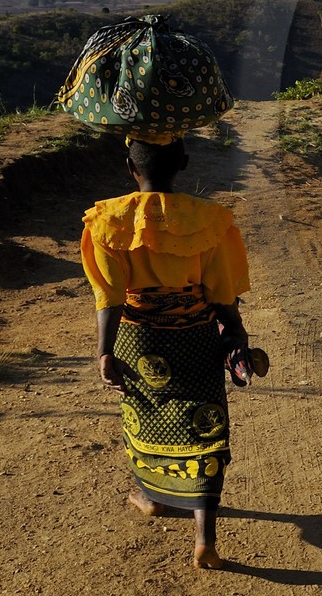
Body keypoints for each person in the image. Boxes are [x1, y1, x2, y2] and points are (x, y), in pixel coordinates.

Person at [81, 136, 253, 569]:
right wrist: (235, 328)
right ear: (184, 163)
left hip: (138, 340)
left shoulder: (107, 221)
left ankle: (151, 496)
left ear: (128, 166)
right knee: (204, 423)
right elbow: (222, 291)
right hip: (195, 334)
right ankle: (204, 541)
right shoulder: (209, 222)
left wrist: (104, 351)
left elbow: (109, 296)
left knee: (146, 415)